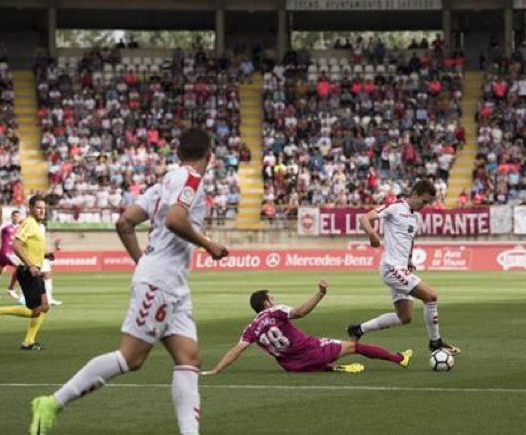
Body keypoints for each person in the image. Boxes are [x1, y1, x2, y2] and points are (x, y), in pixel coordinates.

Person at [28, 129, 229, 435]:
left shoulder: (163, 183)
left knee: (189, 358)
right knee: (131, 357)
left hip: (171, 283)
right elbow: (175, 220)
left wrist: (141, 261)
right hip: (161, 280)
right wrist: (208, 244)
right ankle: (53, 402)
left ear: (177, 154)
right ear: (209, 157)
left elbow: (125, 222)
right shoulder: (191, 181)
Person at [202, 280, 412, 376]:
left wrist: (216, 369)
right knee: (354, 347)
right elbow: (301, 312)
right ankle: (399, 359)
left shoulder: (251, 328)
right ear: (266, 303)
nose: (274, 301)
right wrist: (320, 294)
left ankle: (328, 367)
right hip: (312, 352)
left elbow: (236, 350)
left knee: (321, 348)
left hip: (290, 366)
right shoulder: (276, 311)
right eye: (271, 298)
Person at [347, 179, 460, 355]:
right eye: (423, 201)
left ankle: (358, 329)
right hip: (391, 267)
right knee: (431, 296)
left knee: (405, 317)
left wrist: (408, 260)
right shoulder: (395, 206)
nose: (424, 205)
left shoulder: (415, 216)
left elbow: (409, 240)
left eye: (428, 203)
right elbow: (365, 218)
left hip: (401, 268)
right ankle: (435, 342)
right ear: (414, 194)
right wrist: (372, 234)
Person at [0, 196, 51, 351]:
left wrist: (46, 254)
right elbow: (16, 245)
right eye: (39, 207)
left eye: (44, 208)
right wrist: (31, 265)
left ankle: (27, 339)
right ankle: (26, 340)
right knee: (41, 308)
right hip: (29, 271)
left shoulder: (37, 226)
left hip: (32, 270)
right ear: (31, 208)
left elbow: (29, 247)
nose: (42, 211)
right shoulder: (29, 223)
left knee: (41, 308)